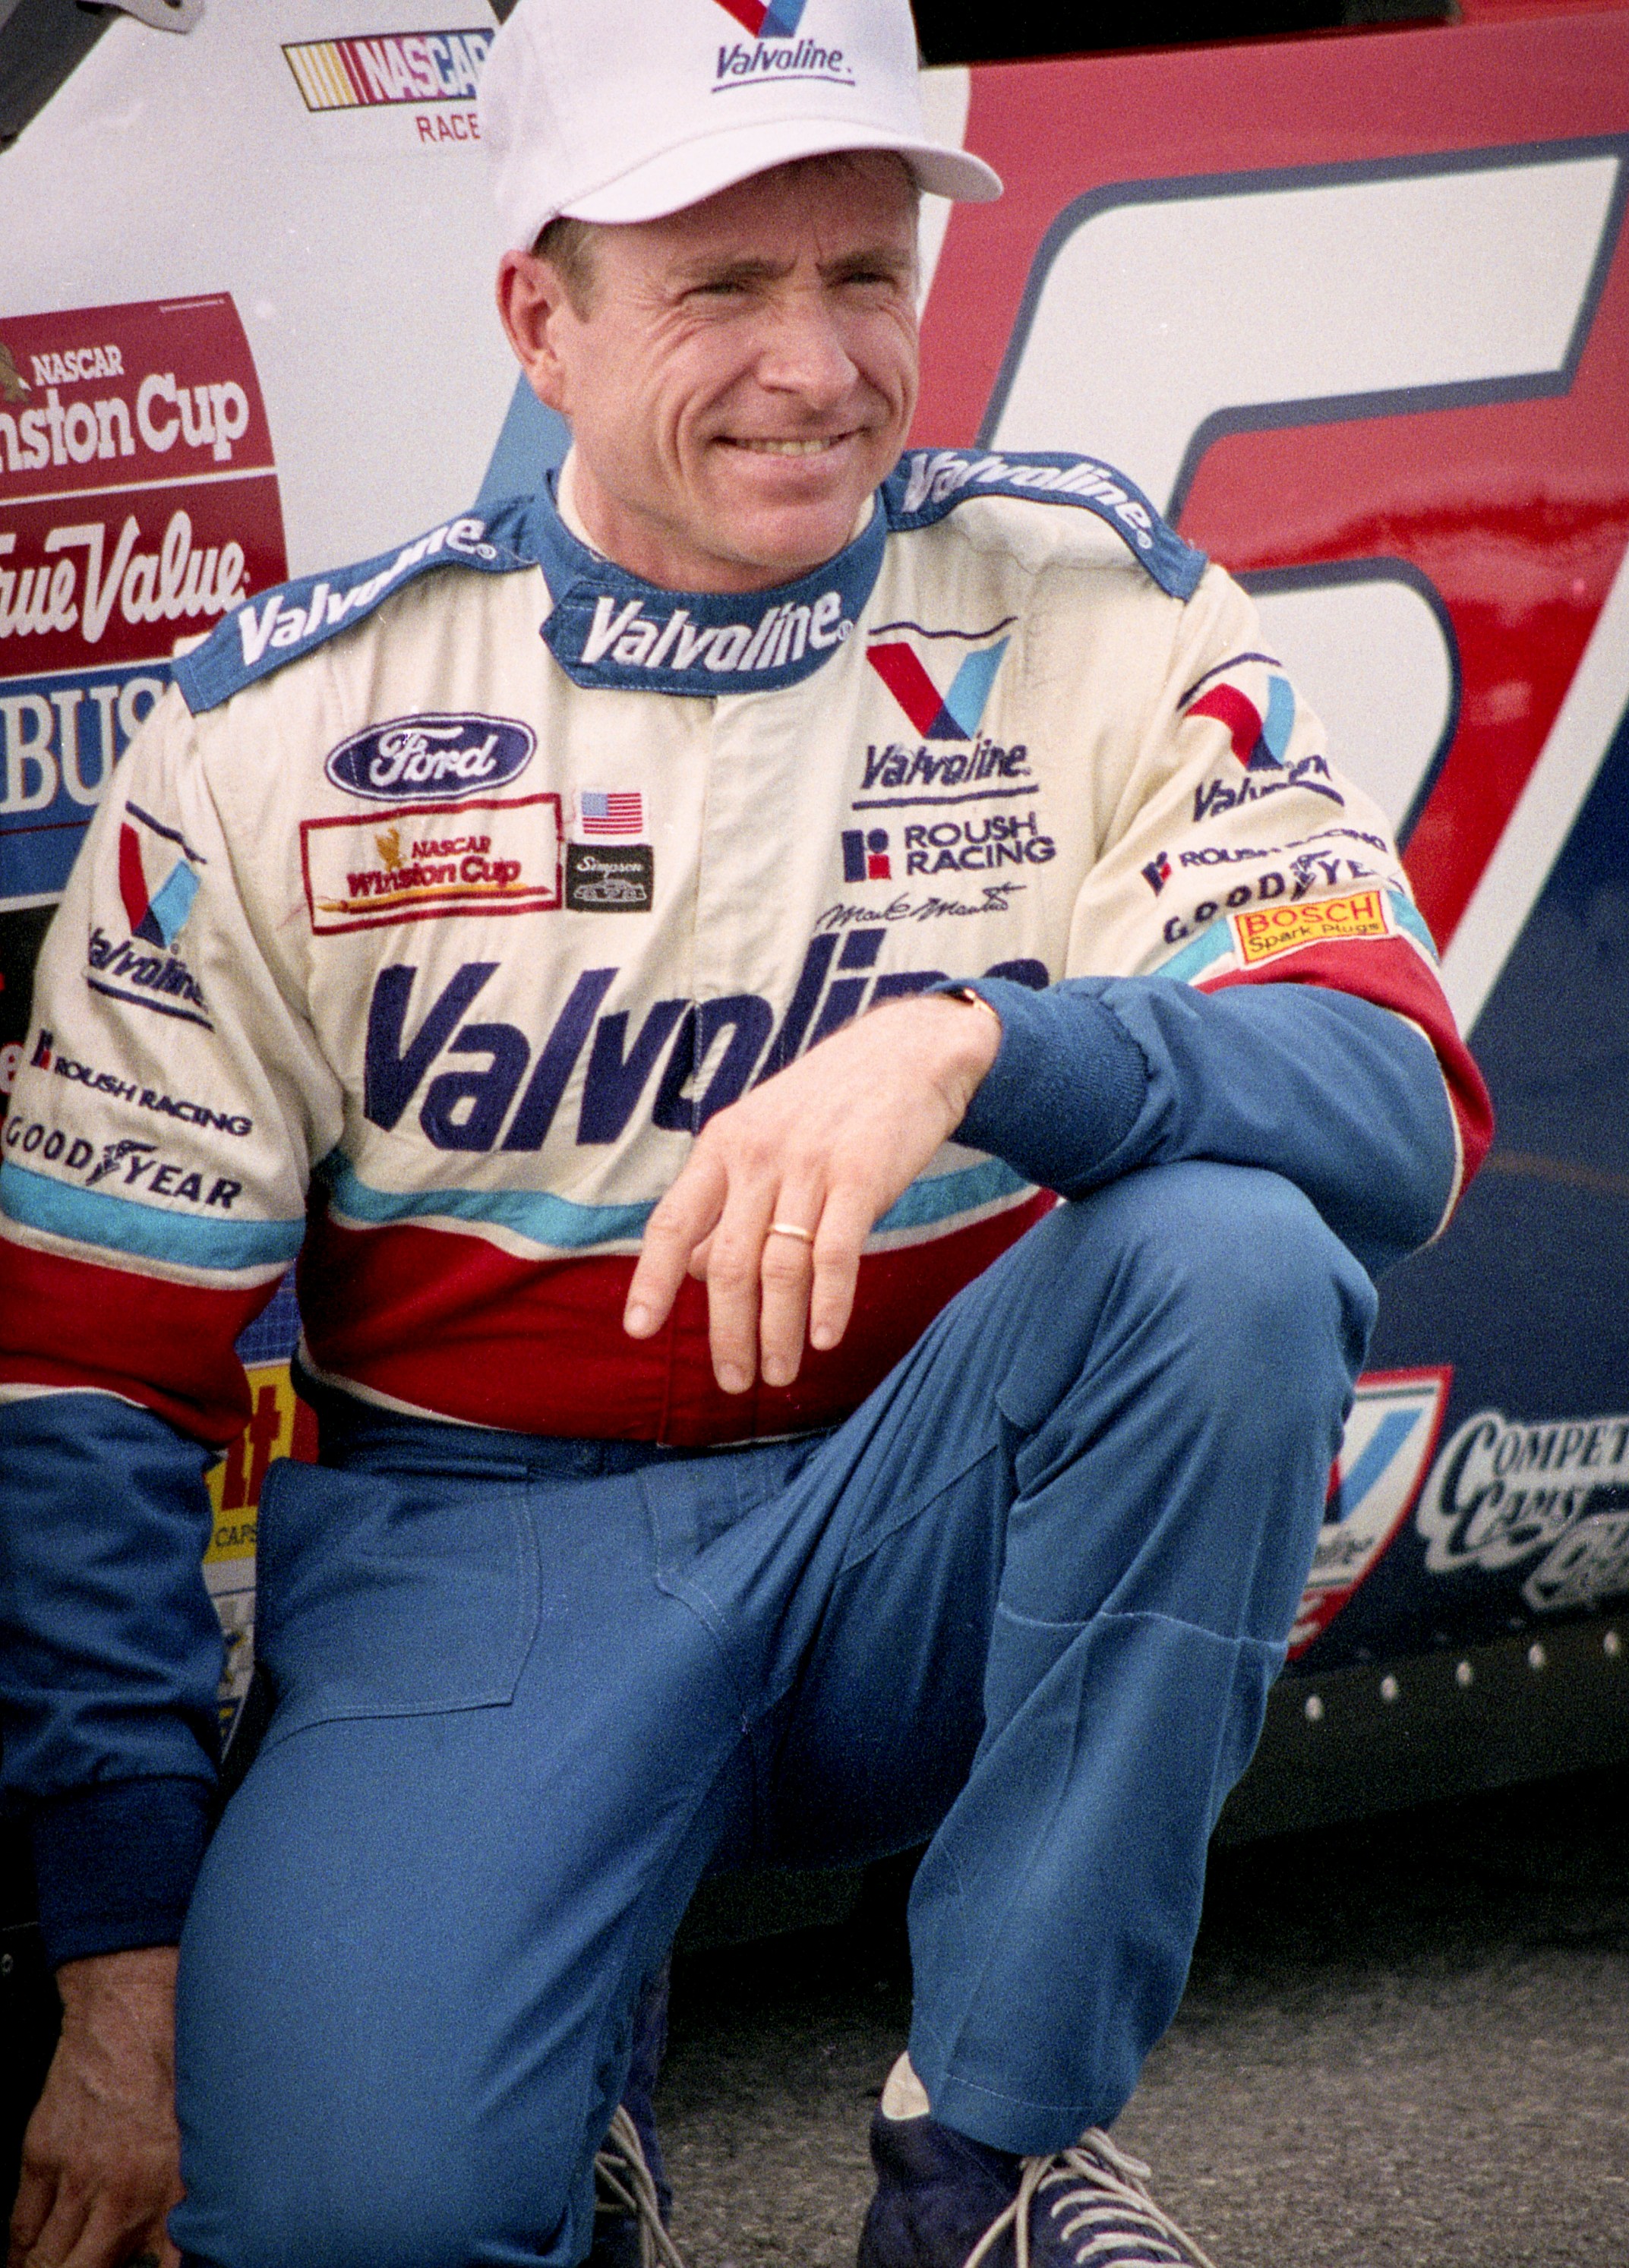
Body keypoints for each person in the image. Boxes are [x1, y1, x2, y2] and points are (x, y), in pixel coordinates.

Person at [0, 0, 1492, 2260]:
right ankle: (548, 2079)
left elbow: (1396, 1108)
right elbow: (88, 1378)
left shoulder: (1106, 615)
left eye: (861, 273)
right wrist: (119, 1970)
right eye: (720, 284)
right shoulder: (279, 737)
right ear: (542, 314)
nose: (815, 367)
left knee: (1235, 1259)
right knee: (353, 2220)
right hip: (476, 1573)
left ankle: (989, 2155)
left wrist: (983, 1047)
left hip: (922, 1520)